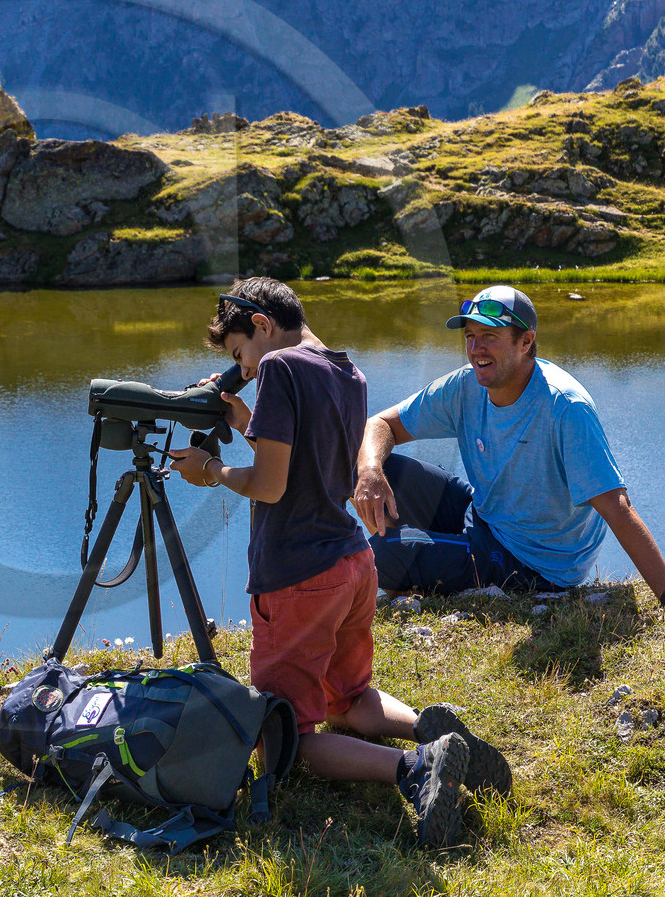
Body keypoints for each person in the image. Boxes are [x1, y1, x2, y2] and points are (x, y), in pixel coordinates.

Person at [167, 277, 510, 849]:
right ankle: (437, 736)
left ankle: (416, 769)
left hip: (298, 577)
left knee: (287, 740)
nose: (244, 369)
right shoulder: (348, 371)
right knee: (346, 700)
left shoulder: (278, 369)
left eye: (238, 354)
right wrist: (243, 422)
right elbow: (304, 461)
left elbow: (271, 486)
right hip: (351, 565)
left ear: (261, 324)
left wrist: (210, 472)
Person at [353, 284, 665, 623]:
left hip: (534, 559)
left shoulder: (565, 407)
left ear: (525, 341)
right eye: (470, 336)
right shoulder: (465, 386)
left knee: (382, 555)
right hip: (487, 514)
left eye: (489, 336)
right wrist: (370, 468)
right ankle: (418, 561)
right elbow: (381, 425)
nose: (475, 349)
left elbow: (616, 505)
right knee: (381, 468)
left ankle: (409, 565)